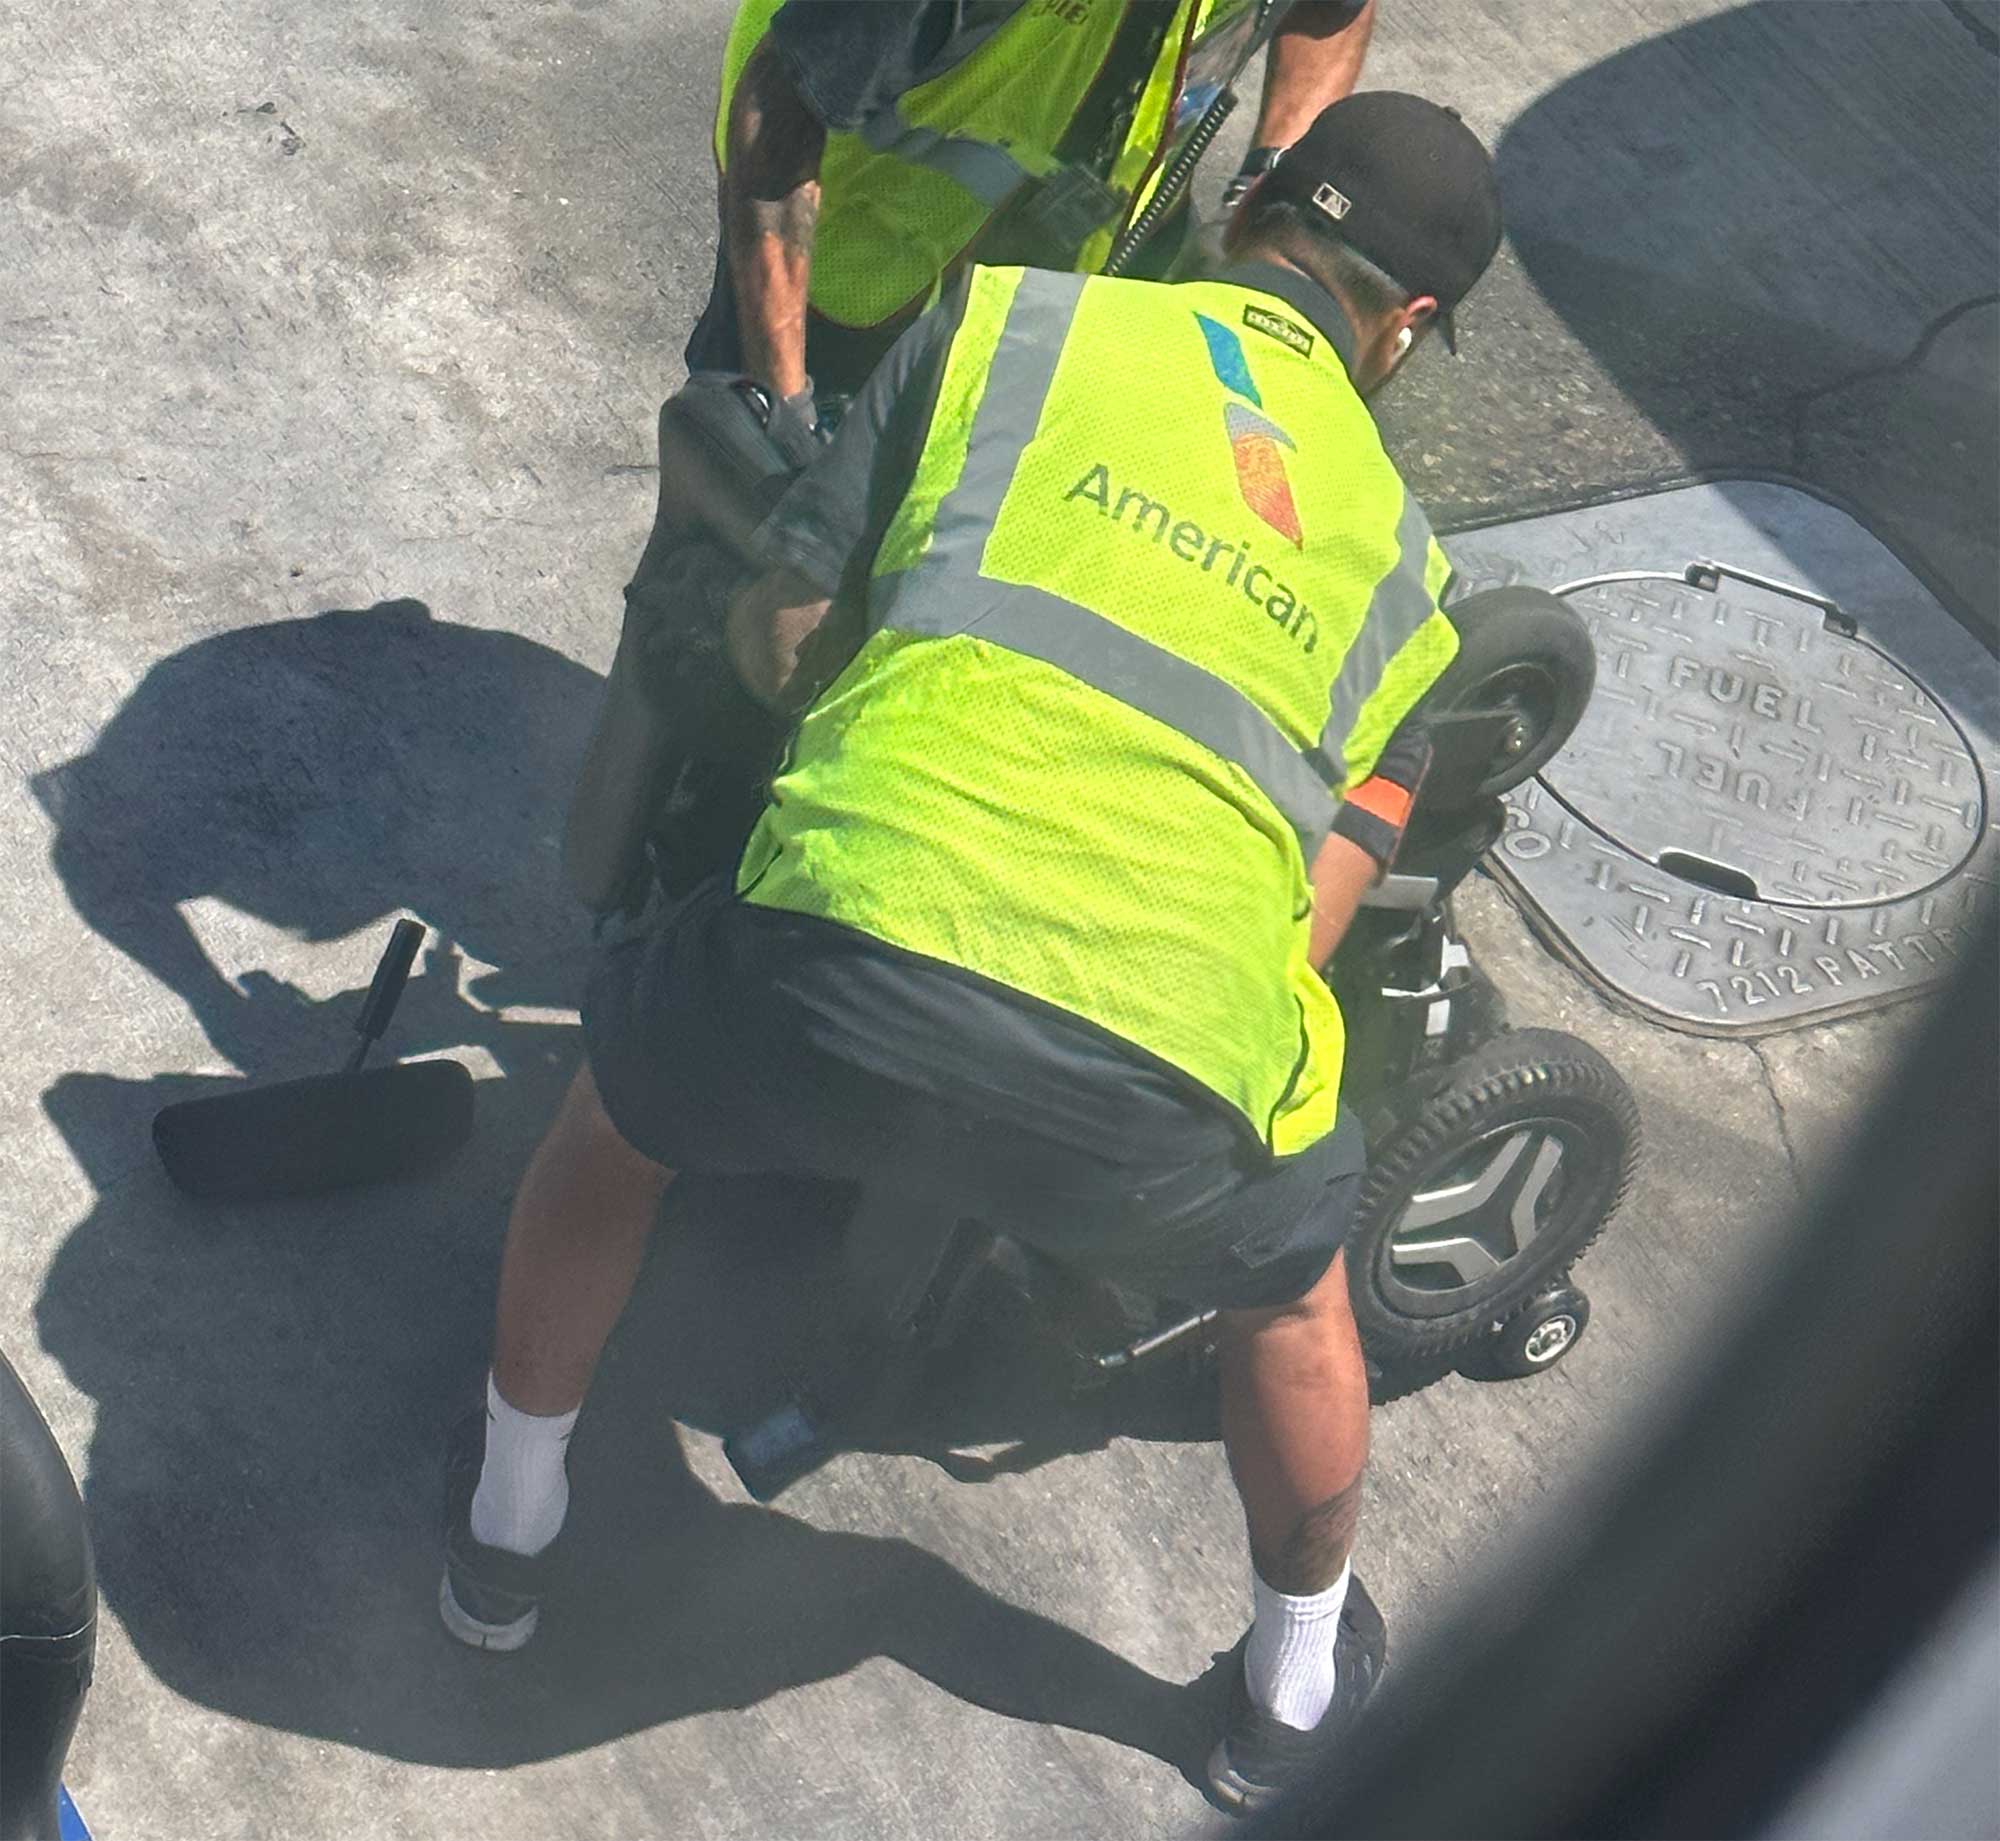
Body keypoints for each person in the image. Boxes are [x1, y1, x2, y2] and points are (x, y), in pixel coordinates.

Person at [444, 92, 1503, 1814]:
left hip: (837, 965)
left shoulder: (1015, 319)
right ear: (1408, 326)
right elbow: (1305, 922)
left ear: (1244, 221)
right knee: (1294, 1290)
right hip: (1153, 1098)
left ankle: (502, 1541)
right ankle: (1285, 1700)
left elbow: (783, 631)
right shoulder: (1415, 574)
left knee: (614, 1117)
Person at [690, 0, 1379, 437]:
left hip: (1076, 264)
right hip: (848, 257)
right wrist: (782, 405)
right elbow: (779, 106)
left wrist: (1261, 189)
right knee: (739, 569)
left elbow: (1332, 11)